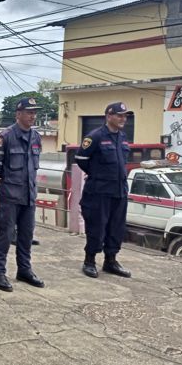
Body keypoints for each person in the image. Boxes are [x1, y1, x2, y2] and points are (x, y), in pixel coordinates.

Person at [0, 97, 45, 292]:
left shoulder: (36, 137)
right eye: (29, 112)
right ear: (18, 114)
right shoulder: (6, 136)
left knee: (27, 235)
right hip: (11, 194)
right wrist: (9, 178)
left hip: (29, 195)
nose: (32, 115)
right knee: (5, 234)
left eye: (34, 112)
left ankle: (24, 269)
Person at [75, 102, 133, 279]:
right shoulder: (95, 136)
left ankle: (110, 261)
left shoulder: (122, 137)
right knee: (96, 228)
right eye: (119, 115)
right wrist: (97, 174)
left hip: (119, 191)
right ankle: (89, 261)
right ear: (109, 116)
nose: (123, 119)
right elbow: (80, 159)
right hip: (99, 191)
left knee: (116, 228)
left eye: (125, 116)